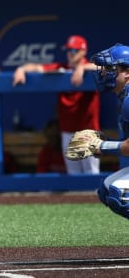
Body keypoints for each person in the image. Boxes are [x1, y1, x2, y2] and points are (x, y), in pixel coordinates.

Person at [12, 35, 100, 174]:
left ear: (83, 52)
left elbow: (103, 67)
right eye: (68, 50)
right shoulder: (62, 67)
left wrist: (82, 67)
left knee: (92, 175)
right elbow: (36, 67)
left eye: (74, 51)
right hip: (67, 131)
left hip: (87, 131)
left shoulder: (91, 67)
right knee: (74, 177)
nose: (70, 54)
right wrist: (21, 69)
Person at [65, 43, 129, 220]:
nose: (102, 73)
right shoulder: (123, 96)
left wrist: (102, 145)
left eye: (110, 68)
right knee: (106, 189)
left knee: (120, 195)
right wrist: (104, 145)